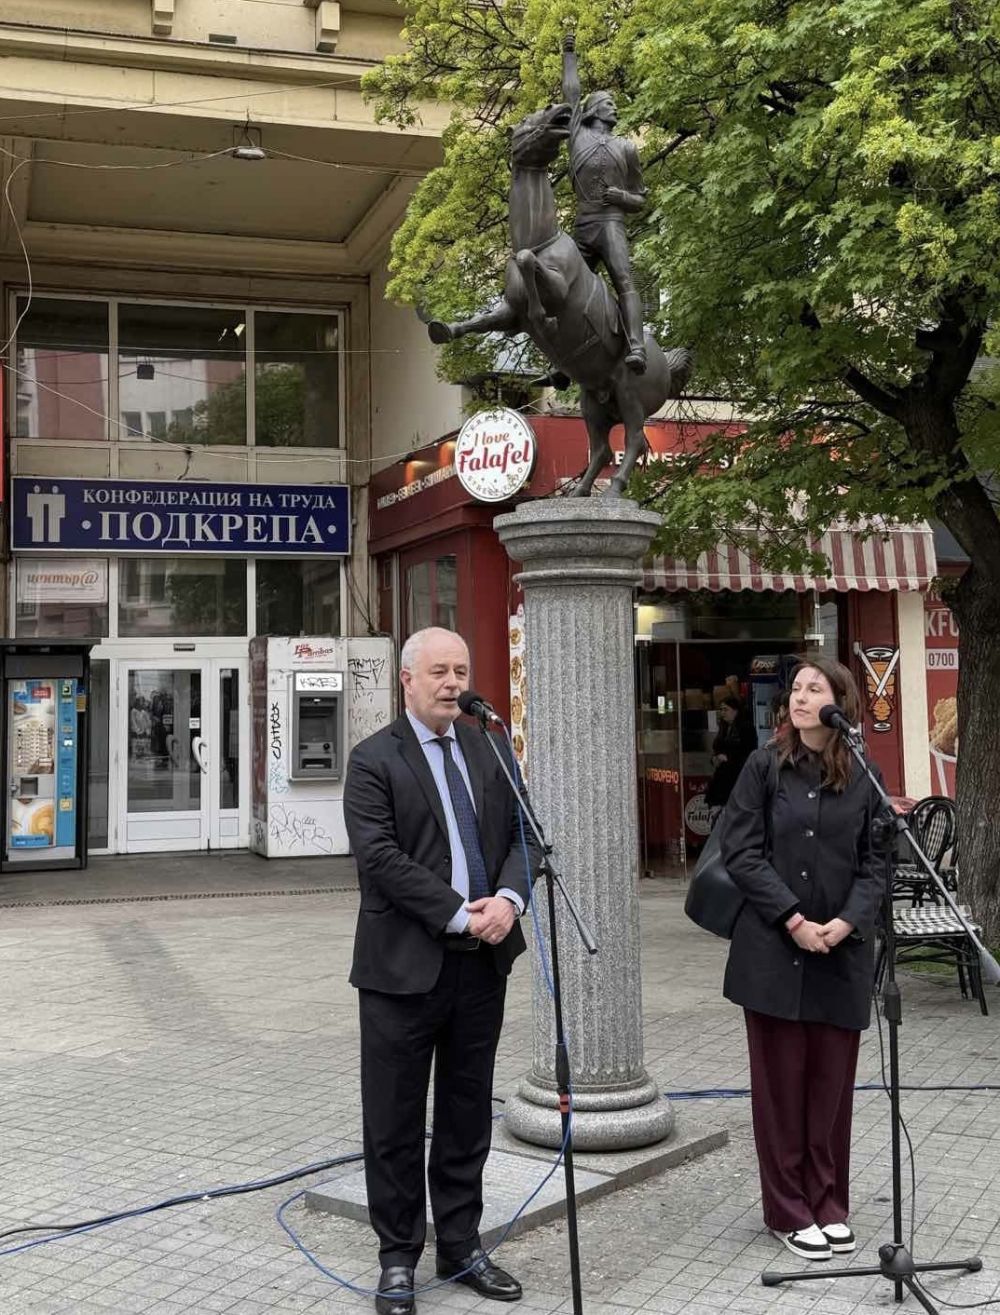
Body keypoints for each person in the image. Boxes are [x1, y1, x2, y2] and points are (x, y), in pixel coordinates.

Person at [344, 627, 539, 1315]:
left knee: (466, 1112)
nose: (454, 682)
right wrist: (461, 913)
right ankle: (398, 1256)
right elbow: (380, 858)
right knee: (394, 1119)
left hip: (482, 967)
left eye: (461, 669)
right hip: (402, 969)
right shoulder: (374, 759)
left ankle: (460, 1244)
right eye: (439, 671)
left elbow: (525, 834)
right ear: (407, 680)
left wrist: (509, 900)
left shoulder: (490, 746)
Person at [719, 657, 882, 1263]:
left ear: (841, 701)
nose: (800, 697)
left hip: (841, 953)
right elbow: (741, 852)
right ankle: (788, 1210)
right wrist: (793, 919)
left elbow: (878, 863)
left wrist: (846, 921)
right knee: (781, 1090)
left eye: (815, 688)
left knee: (830, 1089)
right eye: (796, 688)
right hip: (773, 953)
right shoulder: (764, 766)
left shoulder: (863, 773)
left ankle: (828, 1201)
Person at [562, 32, 649, 372]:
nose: (615, 108)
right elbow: (571, 94)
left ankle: (637, 346)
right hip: (583, 225)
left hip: (611, 225)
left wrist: (622, 197)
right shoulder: (577, 135)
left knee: (624, 280)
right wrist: (569, 55)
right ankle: (565, 355)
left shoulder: (627, 147)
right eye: (609, 103)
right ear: (594, 109)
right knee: (564, 289)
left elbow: (641, 199)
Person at [704, 696, 758, 826]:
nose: (722, 713)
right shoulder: (723, 728)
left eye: (725, 709)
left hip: (736, 778)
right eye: (721, 710)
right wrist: (715, 759)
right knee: (717, 816)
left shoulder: (745, 728)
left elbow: (749, 752)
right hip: (721, 778)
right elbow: (717, 749)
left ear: (735, 710)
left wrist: (729, 758)